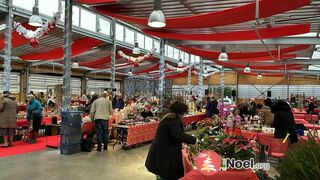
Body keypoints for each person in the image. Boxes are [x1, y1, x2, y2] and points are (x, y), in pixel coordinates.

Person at [145, 101, 197, 180]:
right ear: (181, 112)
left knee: (162, 174)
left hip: (160, 153)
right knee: (166, 174)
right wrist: (194, 140)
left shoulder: (168, 117)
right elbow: (178, 135)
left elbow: (172, 135)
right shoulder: (173, 119)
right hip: (164, 155)